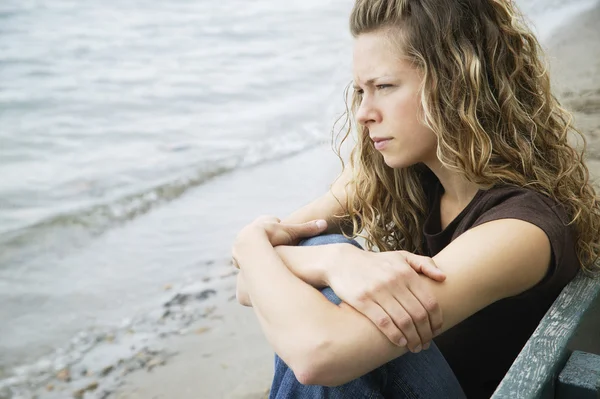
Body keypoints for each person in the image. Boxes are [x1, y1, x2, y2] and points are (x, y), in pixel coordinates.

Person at [231, 0, 600, 397]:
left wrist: (255, 244)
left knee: (335, 297)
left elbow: (319, 355)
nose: (363, 112)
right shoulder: (403, 178)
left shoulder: (520, 230)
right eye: (359, 91)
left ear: (456, 81)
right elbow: (246, 285)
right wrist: (329, 260)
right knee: (327, 258)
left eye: (384, 87)